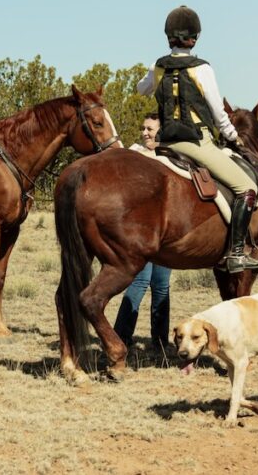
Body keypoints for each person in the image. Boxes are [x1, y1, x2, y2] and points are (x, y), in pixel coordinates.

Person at [136, 5, 258, 273]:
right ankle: (237, 253)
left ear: (168, 36)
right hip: (196, 142)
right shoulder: (202, 69)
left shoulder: (158, 66)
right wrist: (232, 136)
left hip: (166, 143)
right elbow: (218, 112)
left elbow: (141, 90)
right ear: (195, 38)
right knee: (246, 188)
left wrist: (156, 75)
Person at [114, 113, 172, 351]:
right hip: (139, 229)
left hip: (166, 230)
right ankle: (120, 336)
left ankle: (159, 341)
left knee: (161, 284)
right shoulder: (134, 151)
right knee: (140, 280)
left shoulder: (170, 153)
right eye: (143, 128)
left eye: (150, 129)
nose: (145, 132)